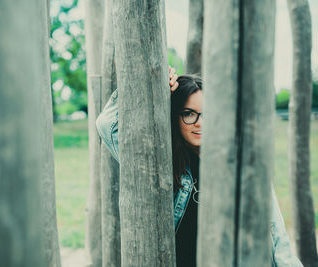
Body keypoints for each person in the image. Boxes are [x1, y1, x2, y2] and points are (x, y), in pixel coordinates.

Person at [95, 67, 303, 267]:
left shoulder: (240, 164)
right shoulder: (158, 164)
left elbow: (274, 231)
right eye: (188, 114)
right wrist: (147, 80)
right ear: (173, 116)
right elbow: (107, 124)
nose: (200, 123)